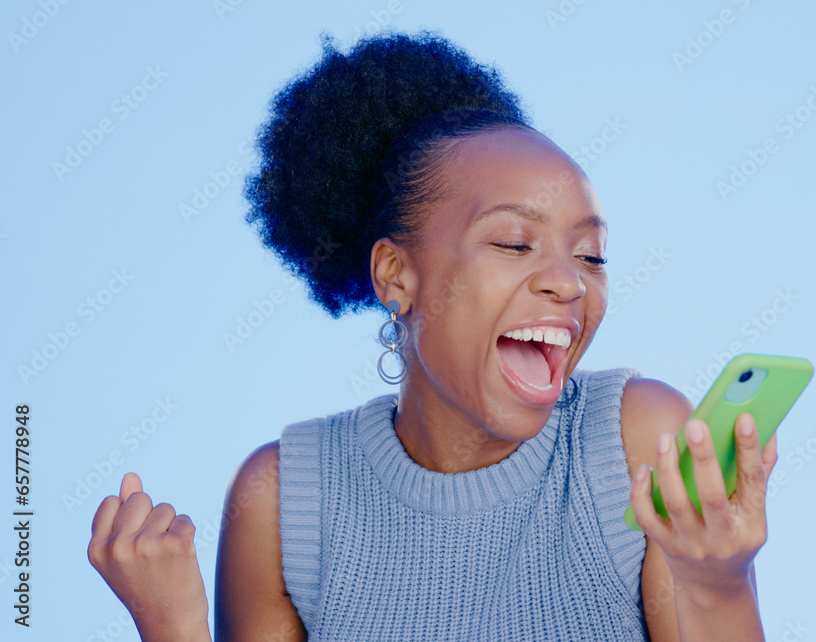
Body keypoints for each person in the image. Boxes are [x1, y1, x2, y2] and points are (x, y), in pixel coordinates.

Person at [88, 31, 778, 641]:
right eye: (513, 242)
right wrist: (172, 628)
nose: (570, 283)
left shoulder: (633, 443)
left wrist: (717, 584)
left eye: (591, 255)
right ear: (396, 275)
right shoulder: (283, 499)